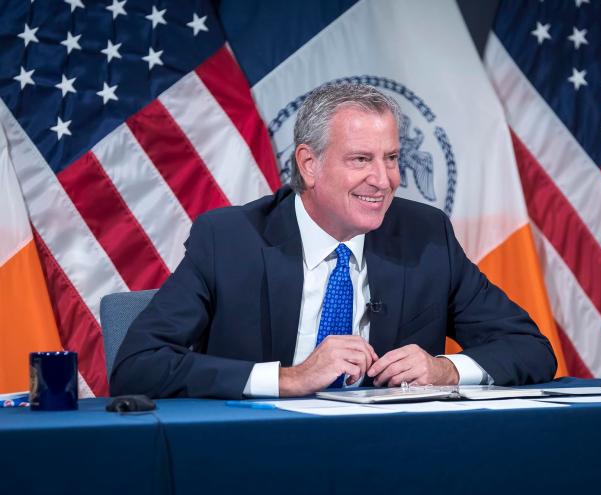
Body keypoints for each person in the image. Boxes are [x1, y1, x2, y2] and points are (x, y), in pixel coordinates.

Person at [110, 84, 556, 399]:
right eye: (361, 159)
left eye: (392, 158)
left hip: (393, 457)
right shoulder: (229, 240)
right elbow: (138, 366)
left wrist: (445, 369)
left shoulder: (426, 237)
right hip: (259, 456)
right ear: (309, 164)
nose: (383, 180)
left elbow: (531, 349)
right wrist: (290, 378)